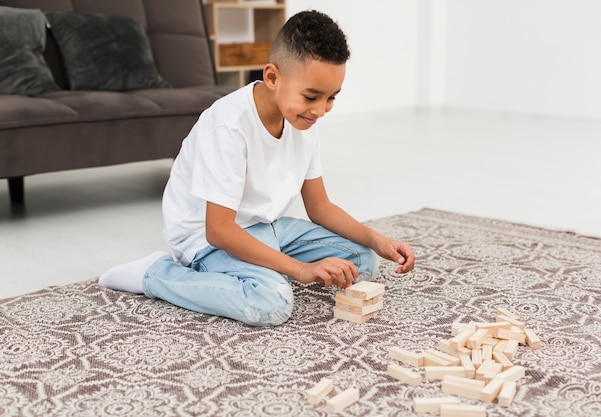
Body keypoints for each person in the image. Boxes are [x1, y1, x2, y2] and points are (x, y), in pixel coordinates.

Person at [98, 10, 415, 326]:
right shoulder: (228, 125)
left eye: (331, 97)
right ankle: (156, 274)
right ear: (273, 77)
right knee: (272, 303)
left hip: (266, 226)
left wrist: (377, 240)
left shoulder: (303, 119)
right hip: (207, 239)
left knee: (363, 262)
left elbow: (320, 207)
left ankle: (266, 265)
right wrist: (298, 269)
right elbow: (218, 229)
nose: (321, 110)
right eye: (311, 96)